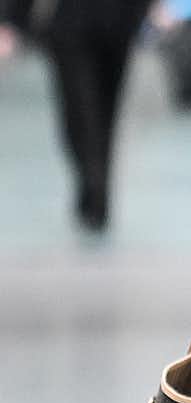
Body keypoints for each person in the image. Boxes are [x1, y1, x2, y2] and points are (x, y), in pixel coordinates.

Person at [0, 0, 157, 231]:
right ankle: (92, 182)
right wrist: (12, 21)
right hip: (68, 21)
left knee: (107, 110)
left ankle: (98, 186)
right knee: (78, 109)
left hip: (120, 20)